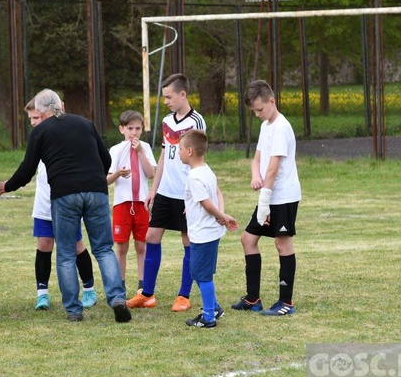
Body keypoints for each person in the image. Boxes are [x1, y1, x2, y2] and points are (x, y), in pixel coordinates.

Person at [0, 89, 131, 323]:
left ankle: (73, 310)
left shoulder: (41, 131)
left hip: (64, 194)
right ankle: (117, 298)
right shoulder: (84, 123)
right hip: (96, 191)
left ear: (40, 110)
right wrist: (93, 177)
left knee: (66, 253)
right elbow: (106, 159)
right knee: (103, 249)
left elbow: (27, 169)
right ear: (60, 105)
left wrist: (7, 185)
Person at [127, 73, 206, 312]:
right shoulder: (167, 121)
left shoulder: (197, 121)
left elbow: (200, 159)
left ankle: (183, 295)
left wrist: (194, 194)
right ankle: (147, 294)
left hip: (186, 193)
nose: (167, 101)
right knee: (151, 237)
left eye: (170, 97)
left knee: (187, 240)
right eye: (164, 97)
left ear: (183, 94)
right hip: (165, 192)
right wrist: (154, 189)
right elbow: (164, 155)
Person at [231, 80, 301, 316]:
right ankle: (253, 299)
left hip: (282, 197)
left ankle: (286, 303)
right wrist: (254, 177)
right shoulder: (266, 126)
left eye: (260, 110)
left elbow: (272, 169)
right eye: (254, 112)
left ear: (272, 101)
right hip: (268, 195)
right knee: (248, 239)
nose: (258, 115)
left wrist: (264, 201)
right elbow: (257, 160)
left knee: (282, 243)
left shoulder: (281, 127)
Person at [24, 98, 97, 311]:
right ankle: (42, 294)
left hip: (65, 202)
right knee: (44, 244)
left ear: (47, 113)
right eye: (31, 119)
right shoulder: (37, 137)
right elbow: (27, 167)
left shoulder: (64, 133)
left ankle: (89, 289)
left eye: (36, 117)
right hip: (44, 205)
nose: (34, 122)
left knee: (75, 246)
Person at [178, 130, 238, 328]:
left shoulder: (194, 176)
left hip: (203, 234)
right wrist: (220, 212)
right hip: (209, 232)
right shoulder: (206, 170)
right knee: (199, 272)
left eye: (179, 149)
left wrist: (223, 216)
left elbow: (206, 203)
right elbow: (216, 193)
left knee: (201, 274)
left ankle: (209, 317)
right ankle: (214, 306)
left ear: (189, 151)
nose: (178, 153)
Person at [107, 110, 156, 294]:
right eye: (130, 128)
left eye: (137, 128)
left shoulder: (145, 147)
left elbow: (151, 174)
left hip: (141, 203)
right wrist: (119, 173)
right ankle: (120, 283)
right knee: (121, 245)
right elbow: (107, 179)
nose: (133, 133)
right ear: (122, 129)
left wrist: (140, 152)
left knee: (141, 244)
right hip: (122, 203)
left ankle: (142, 283)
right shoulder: (116, 150)